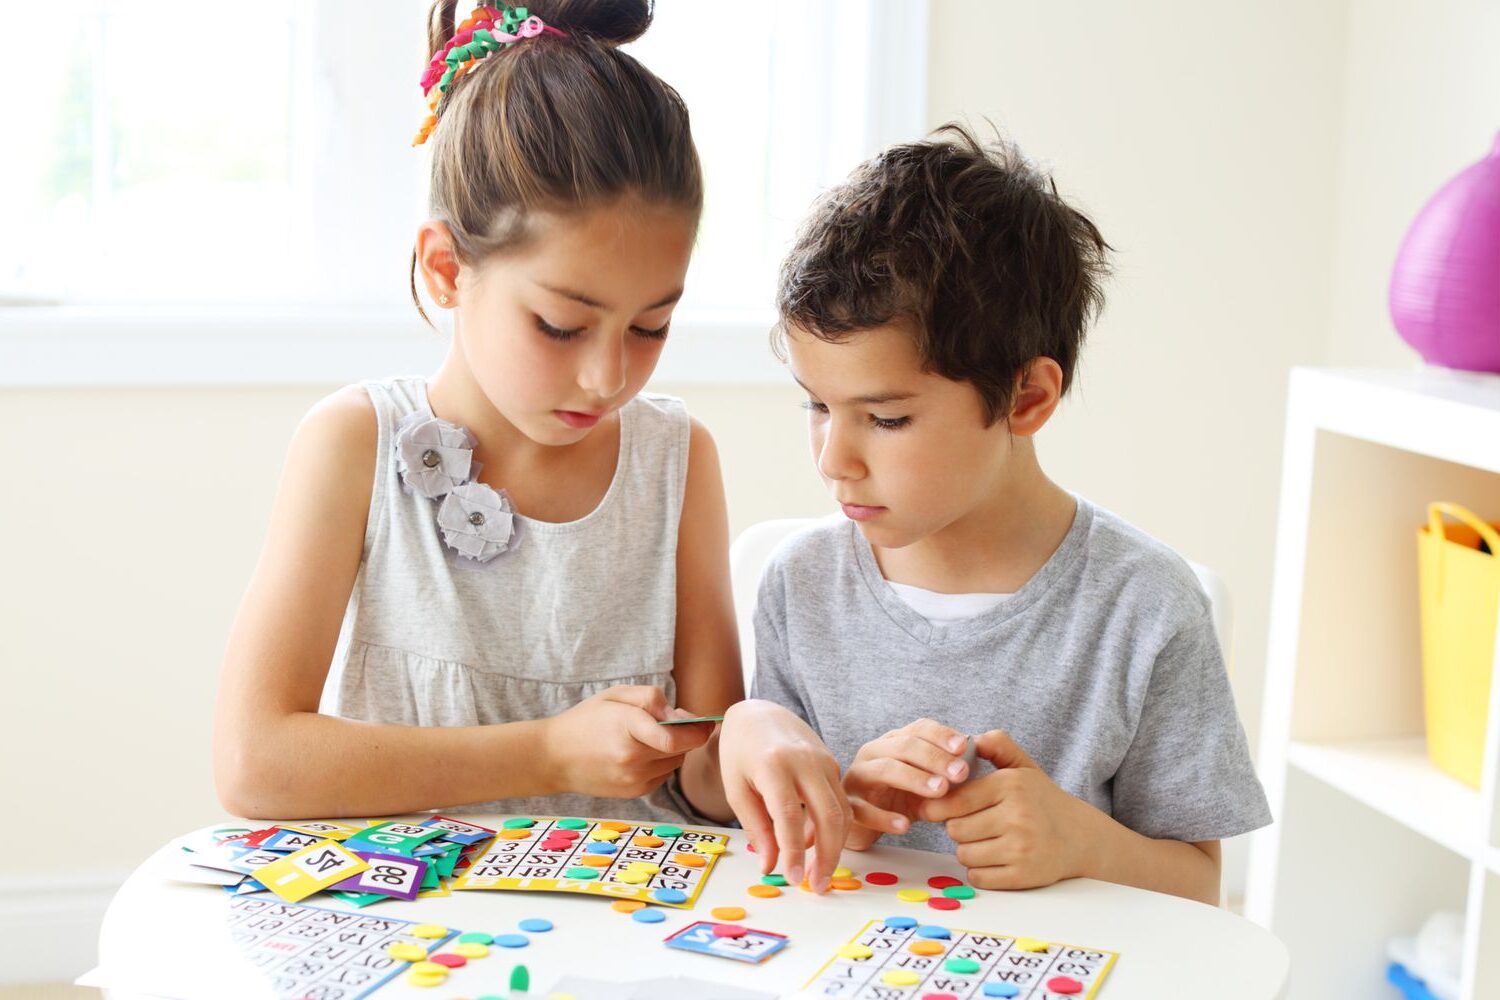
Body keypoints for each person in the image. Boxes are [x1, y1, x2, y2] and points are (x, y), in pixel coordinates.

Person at [213, 0, 848, 892]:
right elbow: (255, 761)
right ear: (446, 268)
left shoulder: (676, 459)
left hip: (630, 935)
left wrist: (748, 733)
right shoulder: (355, 444)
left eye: (651, 326)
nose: (605, 377)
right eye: (560, 325)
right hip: (413, 928)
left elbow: (699, 774)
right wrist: (546, 753)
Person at [752, 124, 1270, 903]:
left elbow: (1197, 887)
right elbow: (777, 845)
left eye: (886, 419)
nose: (833, 459)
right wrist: (848, 815)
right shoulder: (799, 586)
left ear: (1027, 398)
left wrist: (1079, 841)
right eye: (817, 405)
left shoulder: (1146, 607)